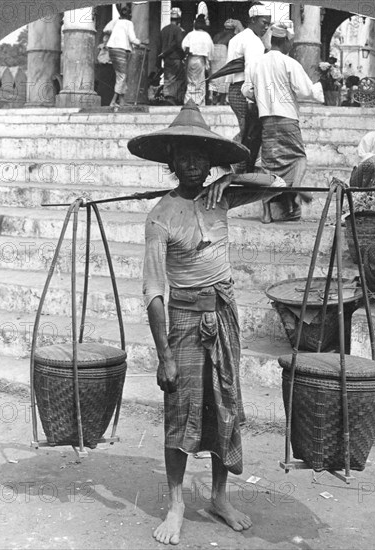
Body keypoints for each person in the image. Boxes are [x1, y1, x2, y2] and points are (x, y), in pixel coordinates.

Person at [127, 101, 286, 546]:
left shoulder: (224, 196)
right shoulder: (160, 217)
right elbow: (154, 292)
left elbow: (276, 181)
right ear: (172, 162)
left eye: (202, 156)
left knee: (225, 407)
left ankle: (219, 496)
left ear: (210, 161)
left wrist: (231, 179)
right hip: (184, 319)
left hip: (224, 312)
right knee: (180, 413)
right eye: (185, 156)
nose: (194, 163)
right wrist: (164, 357)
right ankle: (177, 502)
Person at [243, 22, 318, 223]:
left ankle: (266, 213)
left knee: (268, 165)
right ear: (284, 41)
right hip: (287, 119)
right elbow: (306, 90)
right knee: (298, 158)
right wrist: (319, 87)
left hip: (267, 121)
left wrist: (261, 95)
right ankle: (295, 188)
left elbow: (247, 90)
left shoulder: (257, 63)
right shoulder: (289, 63)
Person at [225, 4, 271, 138]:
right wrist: (252, 100)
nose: (266, 27)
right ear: (253, 20)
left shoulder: (235, 39)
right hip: (245, 92)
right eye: (264, 23)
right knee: (250, 132)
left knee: (247, 130)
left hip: (234, 90)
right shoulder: (254, 41)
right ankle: (235, 155)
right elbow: (252, 70)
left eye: (269, 24)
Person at [103, 6, 141, 109]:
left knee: (120, 75)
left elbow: (105, 29)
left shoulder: (116, 22)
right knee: (122, 76)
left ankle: (122, 101)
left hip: (112, 49)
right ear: (129, 15)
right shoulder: (129, 23)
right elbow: (133, 39)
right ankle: (113, 101)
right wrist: (140, 43)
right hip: (121, 50)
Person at [182, 15, 214, 105]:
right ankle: (198, 102)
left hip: (191, 59)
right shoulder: (206, 36)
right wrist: (209, 63)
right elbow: (211, 52)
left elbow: (184, 47)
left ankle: (189, 101)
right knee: (200, 82)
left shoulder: (191, 34)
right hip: (200, 60)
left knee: (191, 81)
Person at [158, 7, 186, 106]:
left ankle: (167, 96)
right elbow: (179, 45)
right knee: (176, 79)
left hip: (166, 58)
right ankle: (172, 98)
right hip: (176, 58)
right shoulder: (178, 30)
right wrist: (183, 56)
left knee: (167, 77)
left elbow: (159, 45)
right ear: (178, 20)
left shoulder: (164, 29)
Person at [208, 20, 239, 105]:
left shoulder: (217, 35)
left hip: (214, 56)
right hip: (223, 55)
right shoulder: (232, 36)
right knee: (225, 76)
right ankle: (223, 99)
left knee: (214, 75)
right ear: (233, 29)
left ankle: (211, 95)